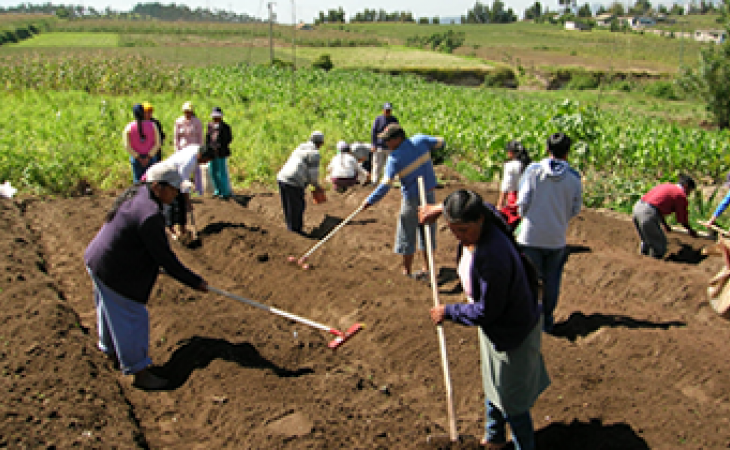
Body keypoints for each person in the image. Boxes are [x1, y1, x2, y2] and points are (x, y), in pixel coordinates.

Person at [421, 190, 550, 450]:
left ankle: (524, 445)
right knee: (493, 382)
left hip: (512, 330)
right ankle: (494, 437)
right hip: (495, 328)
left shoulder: (493, 257)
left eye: (463, 230)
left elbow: (487, 311)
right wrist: (439, 209)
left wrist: (449, 312)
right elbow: (482, 203)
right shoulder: (484, 217)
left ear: (479, 221)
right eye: (452, 228)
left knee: (512, 400)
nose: (458, 235)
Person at [84, 163, 208, 390]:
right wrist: (195, 281)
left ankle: (110, 352)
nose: (176, 194)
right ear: (158, 187)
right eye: (173, 189)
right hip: (114, 271)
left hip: (99, 261)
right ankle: (139, 372)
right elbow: (166, 259)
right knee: (131, 317)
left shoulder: (140, 194)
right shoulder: (149, 214)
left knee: (108, 310)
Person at [517, 132, 582, 333]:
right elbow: (575, 208)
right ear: (568, 152)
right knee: (552, 281)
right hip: (556, 238)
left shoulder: (533, 171)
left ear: (547, 149)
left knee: (529, 279)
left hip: (530, 235)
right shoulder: (573, 178)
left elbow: (523, 202)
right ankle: (546, 322)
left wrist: (526, 216)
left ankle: (528, 320)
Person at [361, 123, 444, 279]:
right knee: (427, 232)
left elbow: (385, 185)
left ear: (398, 138)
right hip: (429, 195)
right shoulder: (421, 140)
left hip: (412, 200)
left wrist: (370, 201)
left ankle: (407, 271)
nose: (386, 143)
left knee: (407, 233)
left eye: (388, 140)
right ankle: (427, 268)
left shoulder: (395, 158)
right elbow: (441, 142)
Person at [151, 144, 216, 240]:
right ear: (200, 155)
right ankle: (171, 229)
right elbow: (183, 182)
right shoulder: (189, 162)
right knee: (172, 202)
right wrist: (188, 201)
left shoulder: (196, 149)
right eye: (205, 161)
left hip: (176, 174)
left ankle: (182, 228)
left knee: (181, 203)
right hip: (168, 175)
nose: (204, 163)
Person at [633, 174, 698, 259]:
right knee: (659, 245)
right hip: (647, 213)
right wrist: (691, 231)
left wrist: (664, 224)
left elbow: (657, 206)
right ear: (686, 186)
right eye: (690, 191)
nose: (689, 194)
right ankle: (652, 266)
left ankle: (641, 259)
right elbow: (682, 219)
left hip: (637, 208)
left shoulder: (666, 186)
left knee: (646, 240)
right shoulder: (680, 195)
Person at [276, 131, 326, 235]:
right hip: (294, 180)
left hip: (282, 177)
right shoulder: (314, 153)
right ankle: (295, 232)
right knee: (297, 206)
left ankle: (290, 228)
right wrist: (317, 187)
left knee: (288, 205)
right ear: (320, 143)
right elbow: (313, 175)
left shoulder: (300, 148)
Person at [496, 140, 531, 231]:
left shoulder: (510, 166)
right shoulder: (530, 165)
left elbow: (506, 186)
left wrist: (499, 204)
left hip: (515, 199)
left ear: (510, 153)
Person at [124, 103, 161, 183]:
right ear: (143, 113)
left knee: (137, 183)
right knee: (151, 182)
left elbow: (127, 146)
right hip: (151, 158)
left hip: (136, 159)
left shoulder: (129, 127)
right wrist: (148, 157)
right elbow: (157, 144)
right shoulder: (153, 125)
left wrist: (138, 158)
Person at [174, 101, 204, 194]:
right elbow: (176, 137)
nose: (188, 113)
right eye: (186, 111)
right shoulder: (179, 121)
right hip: (183, 149)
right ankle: (183, 189)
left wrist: (201, 150)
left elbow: (200, 136)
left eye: (189, 111)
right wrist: (177, 149)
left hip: (194, 148)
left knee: (196, 169)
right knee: (183, 169)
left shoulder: (197, 122)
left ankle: (198, 189)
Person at [205, 106, 234, 199]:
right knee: (212, 172)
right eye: (214, 117)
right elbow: (207, 138)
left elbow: (228, 139)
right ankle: (217, 190)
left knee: (222, 172)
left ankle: (224, 192)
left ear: (221, 117)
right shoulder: (210, 125)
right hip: (212, 152)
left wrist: (220, 146)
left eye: (217, 117)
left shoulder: (225, 127)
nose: (215, 118)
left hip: (221, 152)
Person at [369, 102, 399, 185]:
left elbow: (397, 132)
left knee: (389, 165)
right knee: (377, 164)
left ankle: (387, 181)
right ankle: (374, 181)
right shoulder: (378, 119)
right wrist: (374, 144)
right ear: (383, 110)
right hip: (379, 146)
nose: (387, 112)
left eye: (389, 110)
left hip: (390, 147)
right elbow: (373, 132)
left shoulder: (394, 120)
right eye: (386, 110)